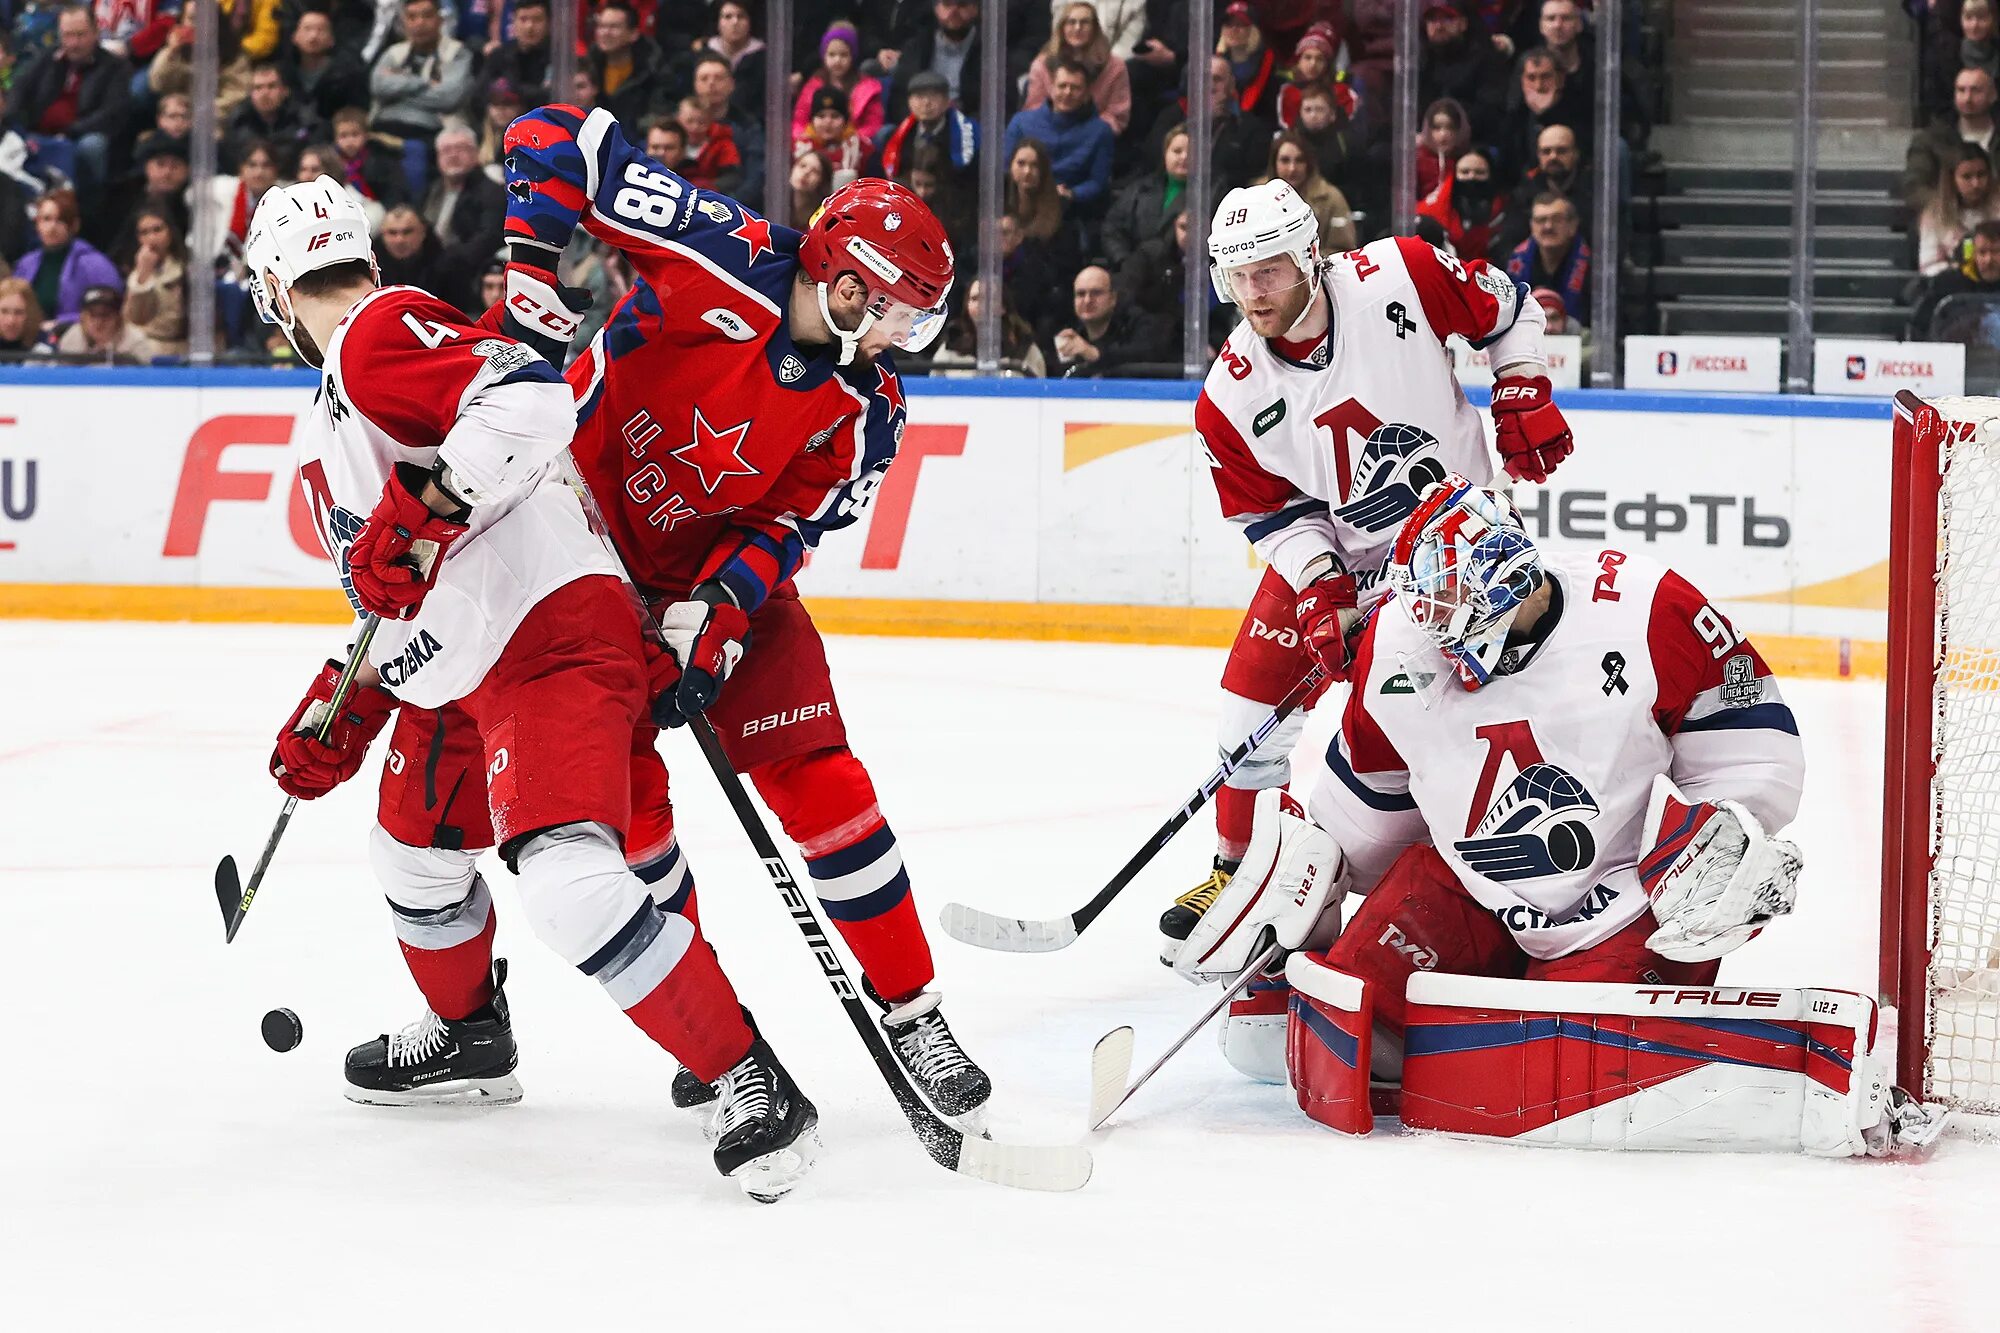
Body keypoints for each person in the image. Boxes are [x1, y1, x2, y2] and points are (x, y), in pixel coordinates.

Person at [242, 175, 816, 1200]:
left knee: (568, 880)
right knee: (411, 855)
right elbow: (402, 581)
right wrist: (348, 695)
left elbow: (528, 397)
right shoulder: (345, 388)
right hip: (464, 666)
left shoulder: (380, 330)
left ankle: (751, 1080)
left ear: (273, 293)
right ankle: (469, 1038)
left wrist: (419, 511)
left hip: (545, 631)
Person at [1169, 476, 1945, 1157]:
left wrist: (1732, 832)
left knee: (1555, 1072)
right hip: (1470, 882)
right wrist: (1304, 881)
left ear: (1518, 586)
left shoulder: (1647, 607)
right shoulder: (1396, 644)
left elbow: (1755, 758)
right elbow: (1366, 810)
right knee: (1353, 1024)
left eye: (1463, 632)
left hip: (1624, 902)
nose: (1446, 657)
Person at [493, 102, 995, 1129]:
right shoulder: (719, 249)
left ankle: (913, 1010)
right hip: (573, 562)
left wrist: (719, 609)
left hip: (717, 582)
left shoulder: (869, 410)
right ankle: (722, 1038)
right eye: (902, 311)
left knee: (824, 784)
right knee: (631, 823)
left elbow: (787, 520)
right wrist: (531, 269)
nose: (909, 336)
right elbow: (559, 139)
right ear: (849, 284)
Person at [1161, 176, 1574, 952]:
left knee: (1425, 718)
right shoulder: (1229, 396)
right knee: (1249, 705)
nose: (1253, 292)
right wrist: (1320, 584)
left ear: (1310, 255)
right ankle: (1240, 867)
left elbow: (1510, 307)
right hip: (1347, 554)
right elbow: (1271, 511)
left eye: (1269, 269)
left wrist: (1520, 386)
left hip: (1462, 539)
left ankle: (1477, 872)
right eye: (1236, 275)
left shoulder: (1402, 274)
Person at [12, 5, 131, 200]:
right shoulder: (49, 58)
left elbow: (113, 113)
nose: (73, 43)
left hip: (81, 134)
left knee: (92, 146)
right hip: (40, 131)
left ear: (95, 33)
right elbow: (20, 87)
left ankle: (89, 203)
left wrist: (70, 131)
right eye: (67, 35)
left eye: (80, 35)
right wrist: (12, 120)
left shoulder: (114, 67)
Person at [1003, 57, 1114, 211]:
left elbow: (1097, 181)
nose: (1068, 93)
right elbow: (1004, 167)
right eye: (1062, 86)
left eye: (1075, 88)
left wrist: (1071, 194)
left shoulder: (1101, 131)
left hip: (1071, 209)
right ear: (1051, 87)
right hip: (1023, 204)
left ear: (1087, 92)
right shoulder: (1021, 122)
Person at [421, 122, 505, 314]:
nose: (453, 155)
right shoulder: (432, 190)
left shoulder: (491, 192)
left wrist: (446, 259)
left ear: (476, 154)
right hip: (432, 268)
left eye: (460, 149)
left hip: (467, 276)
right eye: (446, 150)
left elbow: (489, 237)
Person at [369, 0, 474, 145]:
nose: (419, 23)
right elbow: (378, 86)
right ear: (404, 22)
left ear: (440, 20)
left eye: (427, 16)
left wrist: (396, 92)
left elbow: (448, 98)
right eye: (412, 17)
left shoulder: (457, 53)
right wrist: (424, 83)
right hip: (383, 129)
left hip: (433, 135)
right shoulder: (394, 53)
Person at [15, 188, 120, 325]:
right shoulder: (26, 264)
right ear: (37, 224)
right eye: (46, 219)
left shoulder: (96, 264)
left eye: (60, 220)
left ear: (74, 225)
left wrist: (60, 323)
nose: (52, 227)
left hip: (77, 339)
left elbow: (111, 308)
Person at [1024, 2, 1131, 136]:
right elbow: (1033, 109)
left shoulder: (1115, 66)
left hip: (1094, 137)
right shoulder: (1042, 64)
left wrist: (1085, 133)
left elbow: (1117, 115)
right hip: (1050, 135)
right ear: (1062, 27)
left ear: (1095, 28)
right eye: (1071, 22)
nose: (1077, 28)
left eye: (1085, 22)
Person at [1043, 260, 1165, 376]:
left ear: (1113, 298)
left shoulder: (1138, 324)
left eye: (1096, 293)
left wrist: (1095, 354)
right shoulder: (1066, 330)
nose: (1087, 300)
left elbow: (1146, 355)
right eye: (1080, 294)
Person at [1908, 67, 2000, 211]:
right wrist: (1951, 206)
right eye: (1961, 90)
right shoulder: (1931, 140)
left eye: (1976, 90)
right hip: (1946, 222)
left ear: (1993, 95)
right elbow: (1914, 187)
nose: (1968, 98)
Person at [1102, 121, 1187, 269]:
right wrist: (1126, 262)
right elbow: (1112, 228)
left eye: (1192, 153)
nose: (1184, 157)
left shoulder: (1213, 191)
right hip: (1137, 273)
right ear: (1165, 153)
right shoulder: (1140, 189)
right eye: (1177, 151)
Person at [1261, 131, 1358, 255]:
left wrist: (1308, 262)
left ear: (1309, 164)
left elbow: (1344, 251)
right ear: (1274, 163)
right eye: (1285, 160)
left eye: (1299, 160)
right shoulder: (1255, 196)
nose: (1292, 168)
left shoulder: (1332, 198)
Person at [927, 277, 1047, 377]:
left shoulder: (1024, 346)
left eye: (989, 298)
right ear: (967, 305)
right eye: (975, 298)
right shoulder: (951, 345)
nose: (981, 304)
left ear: (1003, 306)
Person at [1417, 0, 1505, 137]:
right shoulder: (1421, 62)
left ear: (1463, 23)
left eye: (1448, 19)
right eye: (1432, 20)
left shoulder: (1485, 59)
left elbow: (1489, 112)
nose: (1439, 26)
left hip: (1473, 140)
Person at [689, 52, 763, 209]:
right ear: (695, 84)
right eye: (704, 78)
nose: (711, 84)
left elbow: (755, 177)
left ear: (731, 84)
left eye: (718, 78)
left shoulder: (748, 127)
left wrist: (725, 206)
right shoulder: (679, 124)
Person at [792, 21, 884, 146]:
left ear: (853, 56)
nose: (837, 60)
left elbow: (873, 124)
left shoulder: (868, 87)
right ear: (824, 57)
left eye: (844, 55)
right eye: (832, 54)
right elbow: (799, 121)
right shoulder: (813, 85)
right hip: (816, 147)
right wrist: (806, 139)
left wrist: (851, 141)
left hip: (853, 148)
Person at [877, 69, 977, 182]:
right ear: (909, 102)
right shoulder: (900, 135)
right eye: (919, 97)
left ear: (947, 102)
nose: (926, 103)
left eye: (933, 96)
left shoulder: (965, 134)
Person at [1506, 191, 1589, 325]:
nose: (1548, 226)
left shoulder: (1594, 266)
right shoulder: (1514, 263)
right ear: (1531, 225)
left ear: (1572, 225)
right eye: (1540, 220)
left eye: (1556, 219)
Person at [889, 0, 983, 119]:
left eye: (962, 5)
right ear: (936, 8)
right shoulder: (917, 47)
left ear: (975, 9)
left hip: (972, 128)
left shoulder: (989, 51)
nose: (954, 11)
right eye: (947, 4)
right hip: (920, 123)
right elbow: (899, 97)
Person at [586, 0, 668, 131]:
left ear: (633, 34)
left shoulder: (652, 71)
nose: (605, 32)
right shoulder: (588, 67)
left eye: (614, 27)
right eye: (601, 26)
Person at [1921, 143, 2000, 275]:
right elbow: (1929, 266)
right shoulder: (1935, 215)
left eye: (1981, 175)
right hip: (1955, 285)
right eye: (1967, 177)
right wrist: (1961, 270)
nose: (1976, 184)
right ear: (1952, 179)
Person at [282, 9, 372, 125]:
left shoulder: (348, 75)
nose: (313, 36)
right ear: (295, 37)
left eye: (320, 30)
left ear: (331, 39)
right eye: (307, 29)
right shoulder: (284, 74)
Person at [1912, 217, 2000, 336]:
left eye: (1996, 252)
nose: (1988, 260)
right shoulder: (1946, 284)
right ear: (1973, 253)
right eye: (1982, 252)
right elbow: (1919, 329)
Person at [228, 60, 321, 170]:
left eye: (271, 86)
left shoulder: (303, 120)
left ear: (285, 91)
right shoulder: (238, 121)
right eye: (258, 87)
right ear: (250, 93)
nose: (265, 93)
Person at [120, 204, 187, 356]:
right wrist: (143, 276)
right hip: (142, 345)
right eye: (144, 233)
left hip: (178, 347)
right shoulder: (135, 272)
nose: (152, 238)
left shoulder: (186, 270)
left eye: (157, 230)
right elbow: (135, 318)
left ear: (170, 232)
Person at [1416, 149, 1506, 259]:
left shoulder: (1504, 210)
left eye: (1480, 172)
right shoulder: (1430, 211)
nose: (1472, 177)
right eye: (1465, 172)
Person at [332, 106, 409, 207]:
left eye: (355, 135)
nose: (349, 142)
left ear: (366, 135)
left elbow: (393, 191)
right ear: (335, 138)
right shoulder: (331, 161)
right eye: (343, 136)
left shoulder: (381, 159)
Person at [53, 281, 153, 359]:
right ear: (83, 317)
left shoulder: (136, 343)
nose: (98, 322)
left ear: (118, 318)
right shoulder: (71, 339)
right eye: (92, 315)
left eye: (105, 315)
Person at [481, 0, 551, 109]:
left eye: (537, 19)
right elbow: (480, 95)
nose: (529, 26)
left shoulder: (556, 57)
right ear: (513, 22)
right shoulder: (499, 56)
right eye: (523, 19)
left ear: (548, 23)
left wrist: (513, 89)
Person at [1214, 2, 1278, 121]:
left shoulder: (1266, 64)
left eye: (1241, 24)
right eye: (1229, 24)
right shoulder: (1215, 63)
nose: (1234, 29)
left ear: (1253, 30)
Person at [794, 86, 866, 191]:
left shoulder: (861, 149)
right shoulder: (799, 148)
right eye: (821, 116)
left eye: (835, 116)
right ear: (812, 121)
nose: (828, 122)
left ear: (846, 121)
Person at [675, 95, 742, 196]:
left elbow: (732, 177)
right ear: (678, 120)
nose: (695, 127)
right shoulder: (667, 141)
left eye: (701, 122)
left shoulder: (722, 143)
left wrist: (705, 187)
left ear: (710, 121)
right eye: (689, 121)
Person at [1415, 96, 1470, 203]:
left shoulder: (1466, 160)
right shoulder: (1417, 160)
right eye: (1437, 127)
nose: (1443, 134)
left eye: (1450, 127)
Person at [0, 277, 46, 352]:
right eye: (4, 312)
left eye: (19, 312)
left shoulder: (43, 346)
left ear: (30, 314)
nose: (11, 321)